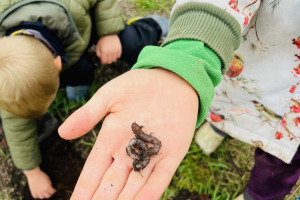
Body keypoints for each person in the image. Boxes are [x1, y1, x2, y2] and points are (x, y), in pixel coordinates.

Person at [58, 0, 300, 199]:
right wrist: (188, 54)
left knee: (279, 162)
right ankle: (220, 124)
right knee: (220, 103)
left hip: (293, 127)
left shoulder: (143, 147)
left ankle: (259, 195)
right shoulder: (142, 145)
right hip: (244, 69)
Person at [0, 0, 168, 199]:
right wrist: (31, 171)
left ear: (57, 65)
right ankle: (79, 83)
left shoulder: (72, 4)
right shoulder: (9, 83)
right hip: (66, 48)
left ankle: (156, 25)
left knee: (132, 43)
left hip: (85, 26)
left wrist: (109, 31)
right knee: (79, 71)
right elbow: (16, 127)